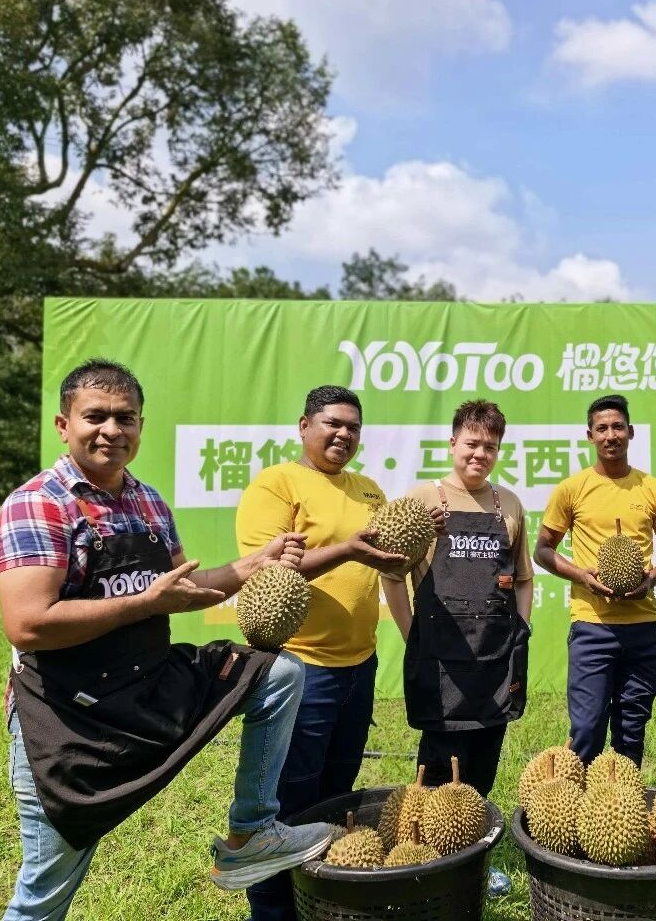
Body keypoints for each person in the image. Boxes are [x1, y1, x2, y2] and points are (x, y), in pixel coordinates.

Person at [0, 359, 331, 921]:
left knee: (279, 674)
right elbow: (28, 624)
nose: (112, 430)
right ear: (62, 425)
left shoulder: (146, 502)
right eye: (95, 416)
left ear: (141, 426)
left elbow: (183, 587)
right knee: (44, 895)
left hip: (146, 688)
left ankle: (251, 834)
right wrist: (146, 604)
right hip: (68, 716)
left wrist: (251, 565)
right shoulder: (38, 504)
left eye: (126, 418)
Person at [234, 385, 439, 921]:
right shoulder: (278, 484)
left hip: (358, 665)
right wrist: (347, 548)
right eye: (332, 423)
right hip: (300, 668)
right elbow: (264, 574)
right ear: (304, 426)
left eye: (353, 426)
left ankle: (318, 897)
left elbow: (389, 565)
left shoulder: (370, 490)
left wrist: (414, 542)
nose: (343, 434)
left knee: (336, 790)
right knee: (289, 797)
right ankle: (274, 907)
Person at [382, 399, 534, 793]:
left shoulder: (510, 504)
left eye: (490, 447)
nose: (480, 454)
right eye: (472, 443)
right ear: (452, 443)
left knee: (485, 762)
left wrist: (522, 629)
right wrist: (411, 633)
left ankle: (476, 854)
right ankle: (433, 853)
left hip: (495, 658)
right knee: (438, 769)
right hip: (440, 658)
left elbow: (522, 578)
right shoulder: (423, 499)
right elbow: (393, 576)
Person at [534, 393, 656, 766]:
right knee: (586, 728)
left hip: (642, 625)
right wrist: (582, 576)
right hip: (592, 625)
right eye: (602, 428)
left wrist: (648, 581)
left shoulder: (653, 489)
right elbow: (543, 550)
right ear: (590, 436)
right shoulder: (572, 489)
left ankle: (622, 806)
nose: (610, 435)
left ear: (630, 432)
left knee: (632, 730)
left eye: (618, 427)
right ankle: (576, 810)